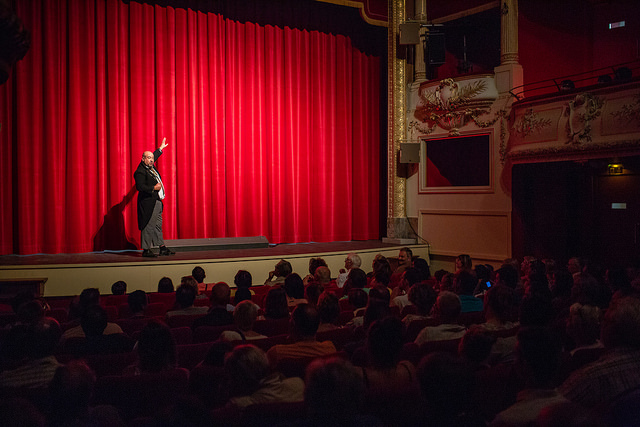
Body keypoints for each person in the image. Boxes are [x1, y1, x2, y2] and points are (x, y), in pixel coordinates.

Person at [134, 137, 174, 257]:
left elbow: (154, 156)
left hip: (156, 202)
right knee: (148, 225)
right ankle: (146, 249)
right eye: (149, 158)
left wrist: (160, 149)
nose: (151, 160)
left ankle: (161, 247)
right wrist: (153, 188)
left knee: (157, 225)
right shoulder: (140, 171)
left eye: (152, 158)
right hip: (148, 203)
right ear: (143, 159)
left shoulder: (150, 167)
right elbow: (140, 187)